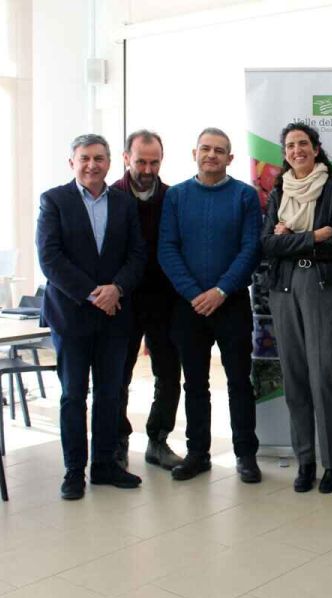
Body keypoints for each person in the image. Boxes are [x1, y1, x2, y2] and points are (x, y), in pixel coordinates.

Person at [36, 133, 147, 500]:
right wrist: (93, 293)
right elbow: (51, 259)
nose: (92, 165)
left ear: (110, 162)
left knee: (110, 393)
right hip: (72, 316)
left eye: (99, 158)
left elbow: (137, 255)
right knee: (73, 395)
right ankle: (73, 471)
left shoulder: (123, 203)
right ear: (72, 162)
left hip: (116, 314)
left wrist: (116, 289)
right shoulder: (54, 200)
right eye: (84, 158)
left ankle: (104, 465)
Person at [158, 127, 262, 484]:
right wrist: (194, 293)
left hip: (231, 304)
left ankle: (246, 454)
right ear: (194, 153)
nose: (212, 155)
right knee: (195, 383)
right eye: (206, 149)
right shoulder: (177, 196)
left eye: (219, 150)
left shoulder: (245, 197)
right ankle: (198, 453)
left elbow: (250, 249)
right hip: (188, 307)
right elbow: (167, 248)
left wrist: (220, 290)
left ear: (230, 158)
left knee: (239, 383)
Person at [261, 122, 332, 494]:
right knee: (296, 380)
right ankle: (305, 462)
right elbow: (267, 244)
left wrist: (292, 239)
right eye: (290, 145)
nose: (296, 150)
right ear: (284, 153)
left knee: (322, 380)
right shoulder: (278, 190)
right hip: (284, 291)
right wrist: (314, 236)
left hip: (321, 288)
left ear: (316, 148)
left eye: (303, 144)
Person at [113, 129, 183, 471]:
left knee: (169, 374)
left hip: (163, 301)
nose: (147, 169)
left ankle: (158, 440)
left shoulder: (173, 197)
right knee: (117, 375)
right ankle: (118, 439)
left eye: (154, 162)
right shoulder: (110, 197)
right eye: (141, 161)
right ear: (127, 158)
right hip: (121, 302)